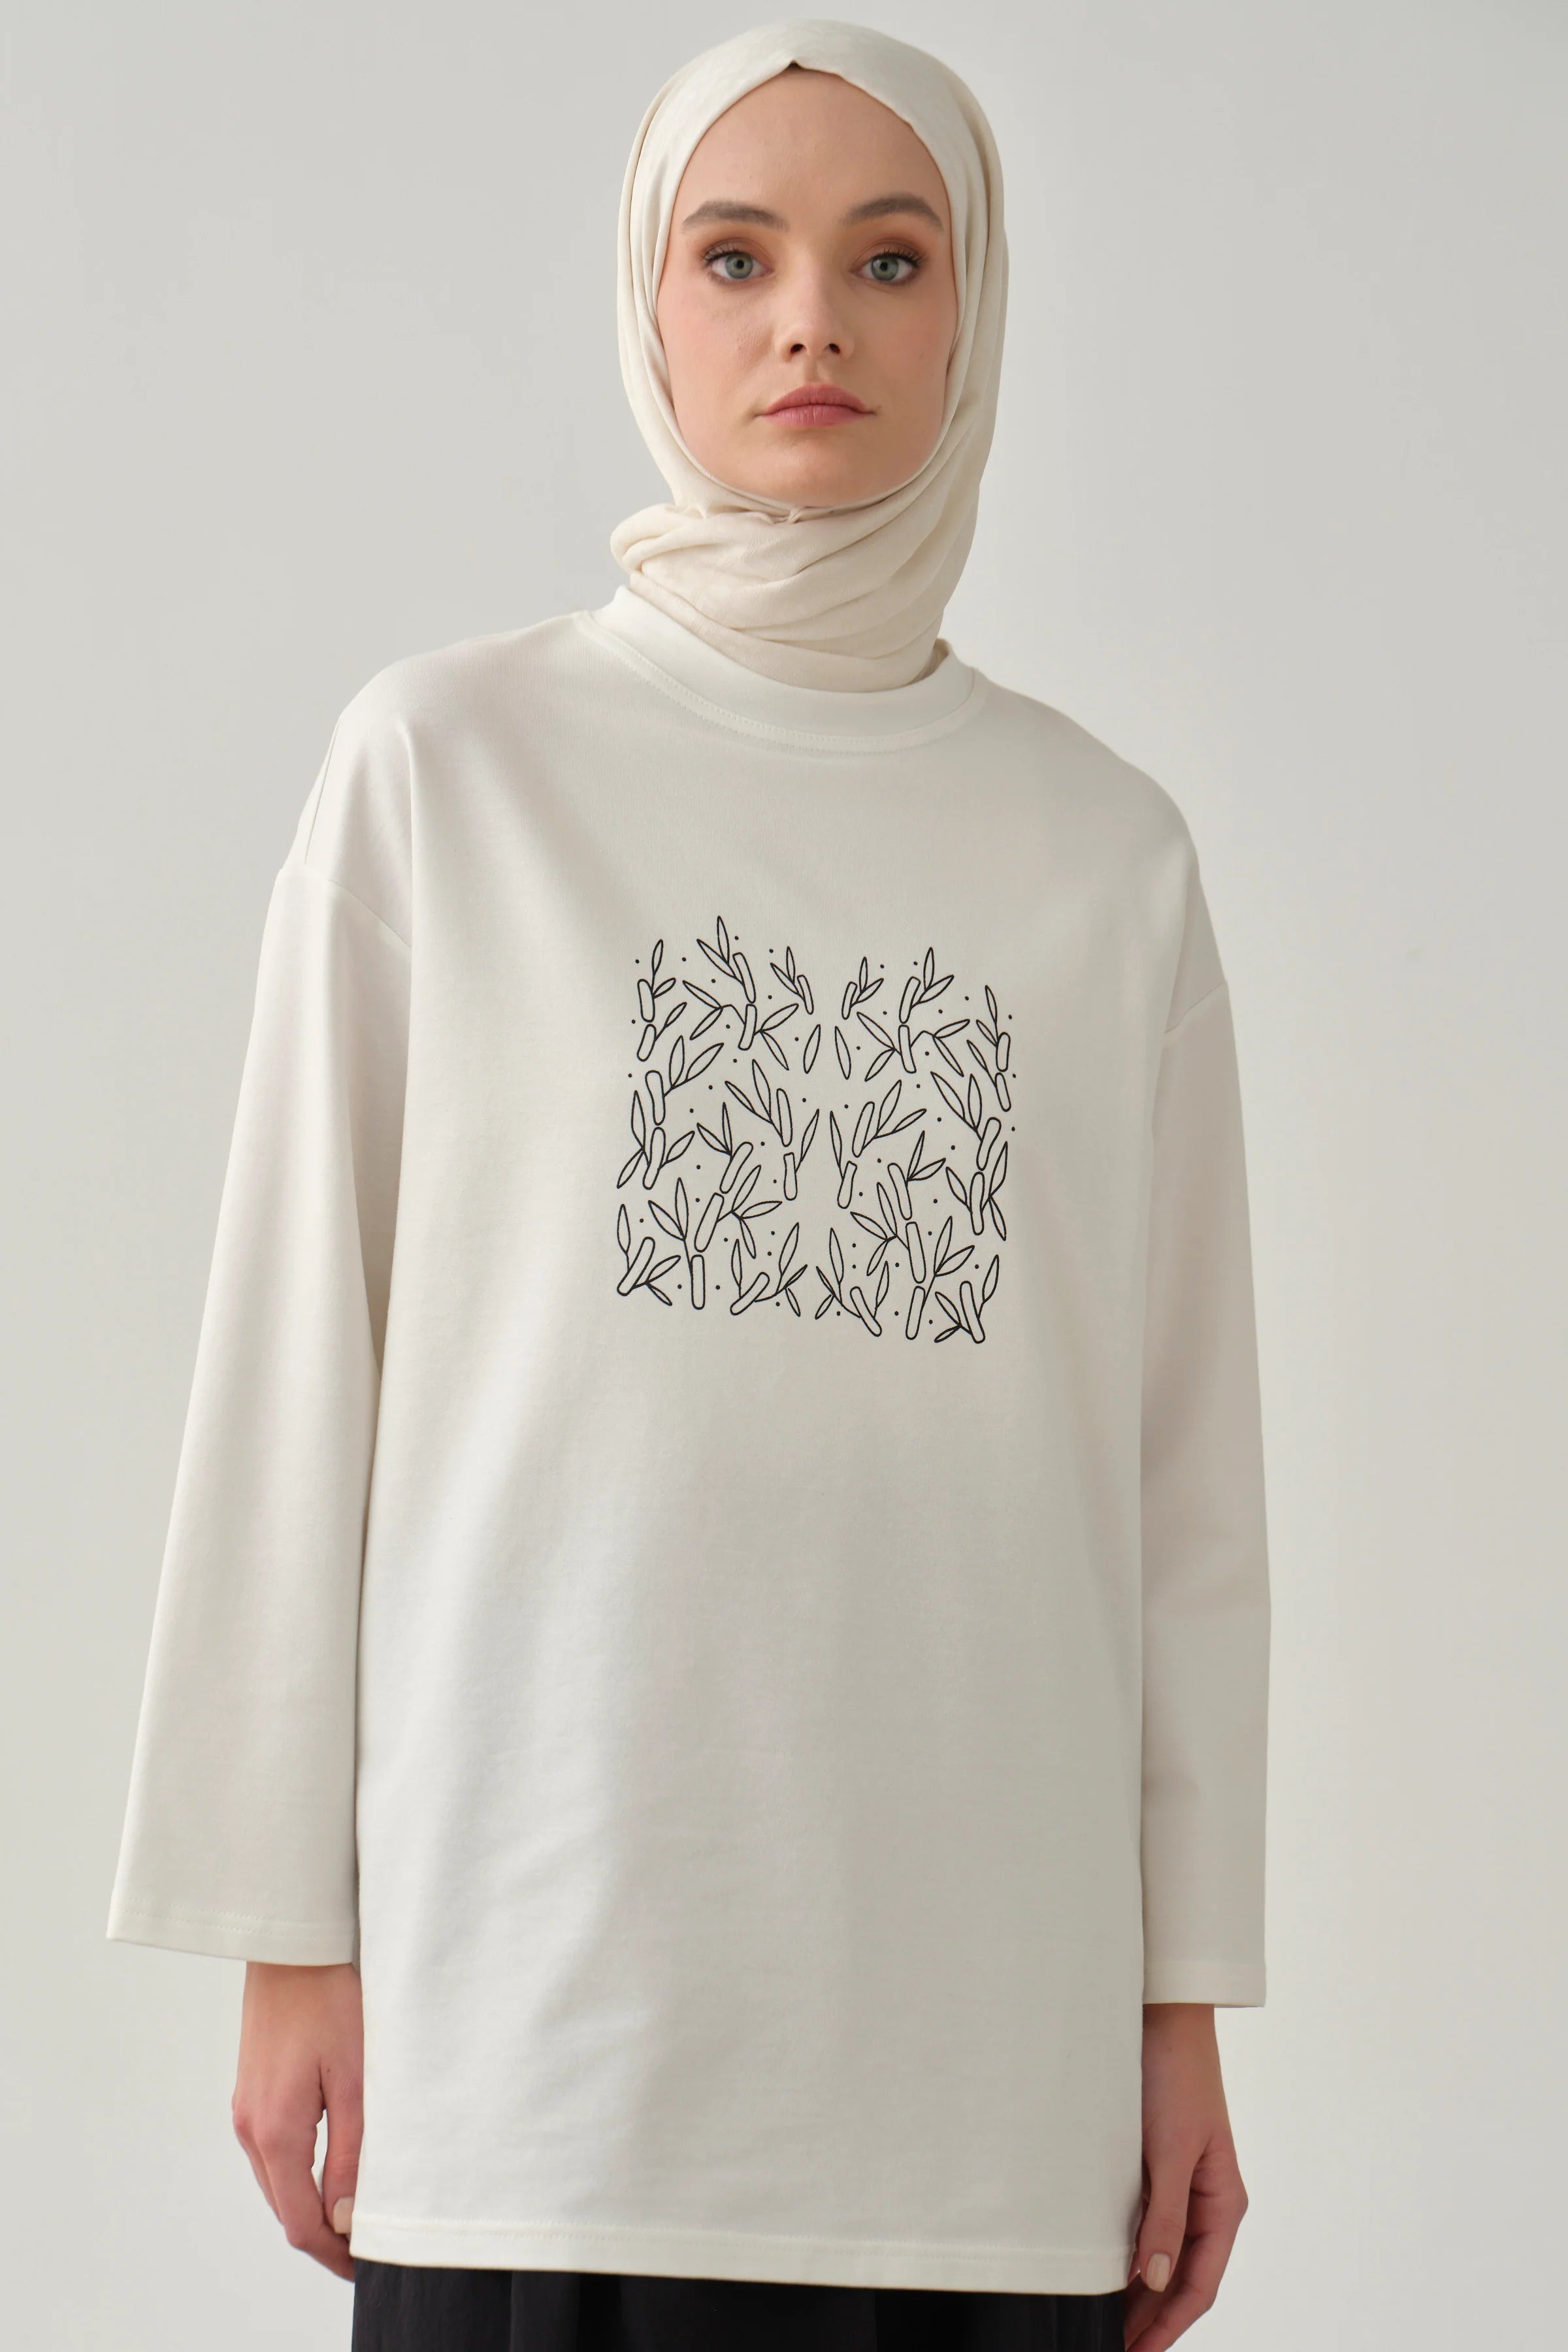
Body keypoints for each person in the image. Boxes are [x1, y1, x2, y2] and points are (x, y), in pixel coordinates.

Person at [106, 20, 1271, 2352]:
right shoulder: (450, 770)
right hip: (537, 2033)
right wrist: (283, 1938)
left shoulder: (1105, 858)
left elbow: (1180, 1490)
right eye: (736, 257)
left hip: (983, 2080)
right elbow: (294, 1356)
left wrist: (1180, 2009)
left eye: (890, 258)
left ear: (976, 307)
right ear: (650, 301)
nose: (810, 320)